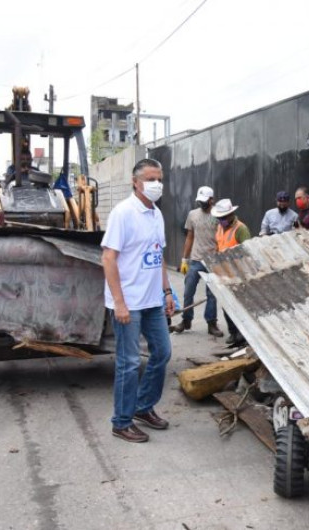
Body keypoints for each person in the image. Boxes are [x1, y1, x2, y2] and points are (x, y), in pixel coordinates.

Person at [101, 158, 174, 444]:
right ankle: (121, 421)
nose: (157, 184)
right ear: (135, 182)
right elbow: (108, 258)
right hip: (128, 303)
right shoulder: (123, 213)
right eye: (151, 179)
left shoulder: (157, 214)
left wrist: (167, 292)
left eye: (160, 179)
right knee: (129, 363)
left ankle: (143, 407)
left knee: (162, 353)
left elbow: (159, 256)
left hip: (153, 302)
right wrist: (119, 303)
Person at [171, 186, 223, 337]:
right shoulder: (192, 215)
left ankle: (211, 323)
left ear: (211, 200)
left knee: (211, 294)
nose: (201, 203)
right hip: (196, 260)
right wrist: (184, 260)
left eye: (204, 201)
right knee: (188, 292)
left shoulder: (218, 215)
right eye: (200, 201)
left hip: (213, 261)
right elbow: (189, 237)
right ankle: (186, 321)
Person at [211, 198, 251, 346]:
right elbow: (218, 246)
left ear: (231, 215)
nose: (221, 220)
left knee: (239, 307)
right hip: (224, 272)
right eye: (219, 218)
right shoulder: (220, 227)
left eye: (223, 218)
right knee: (226, 305)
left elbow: (247, 251)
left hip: (237, 273)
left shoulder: (241, 229)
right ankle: (233, 333)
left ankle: (243, 335)